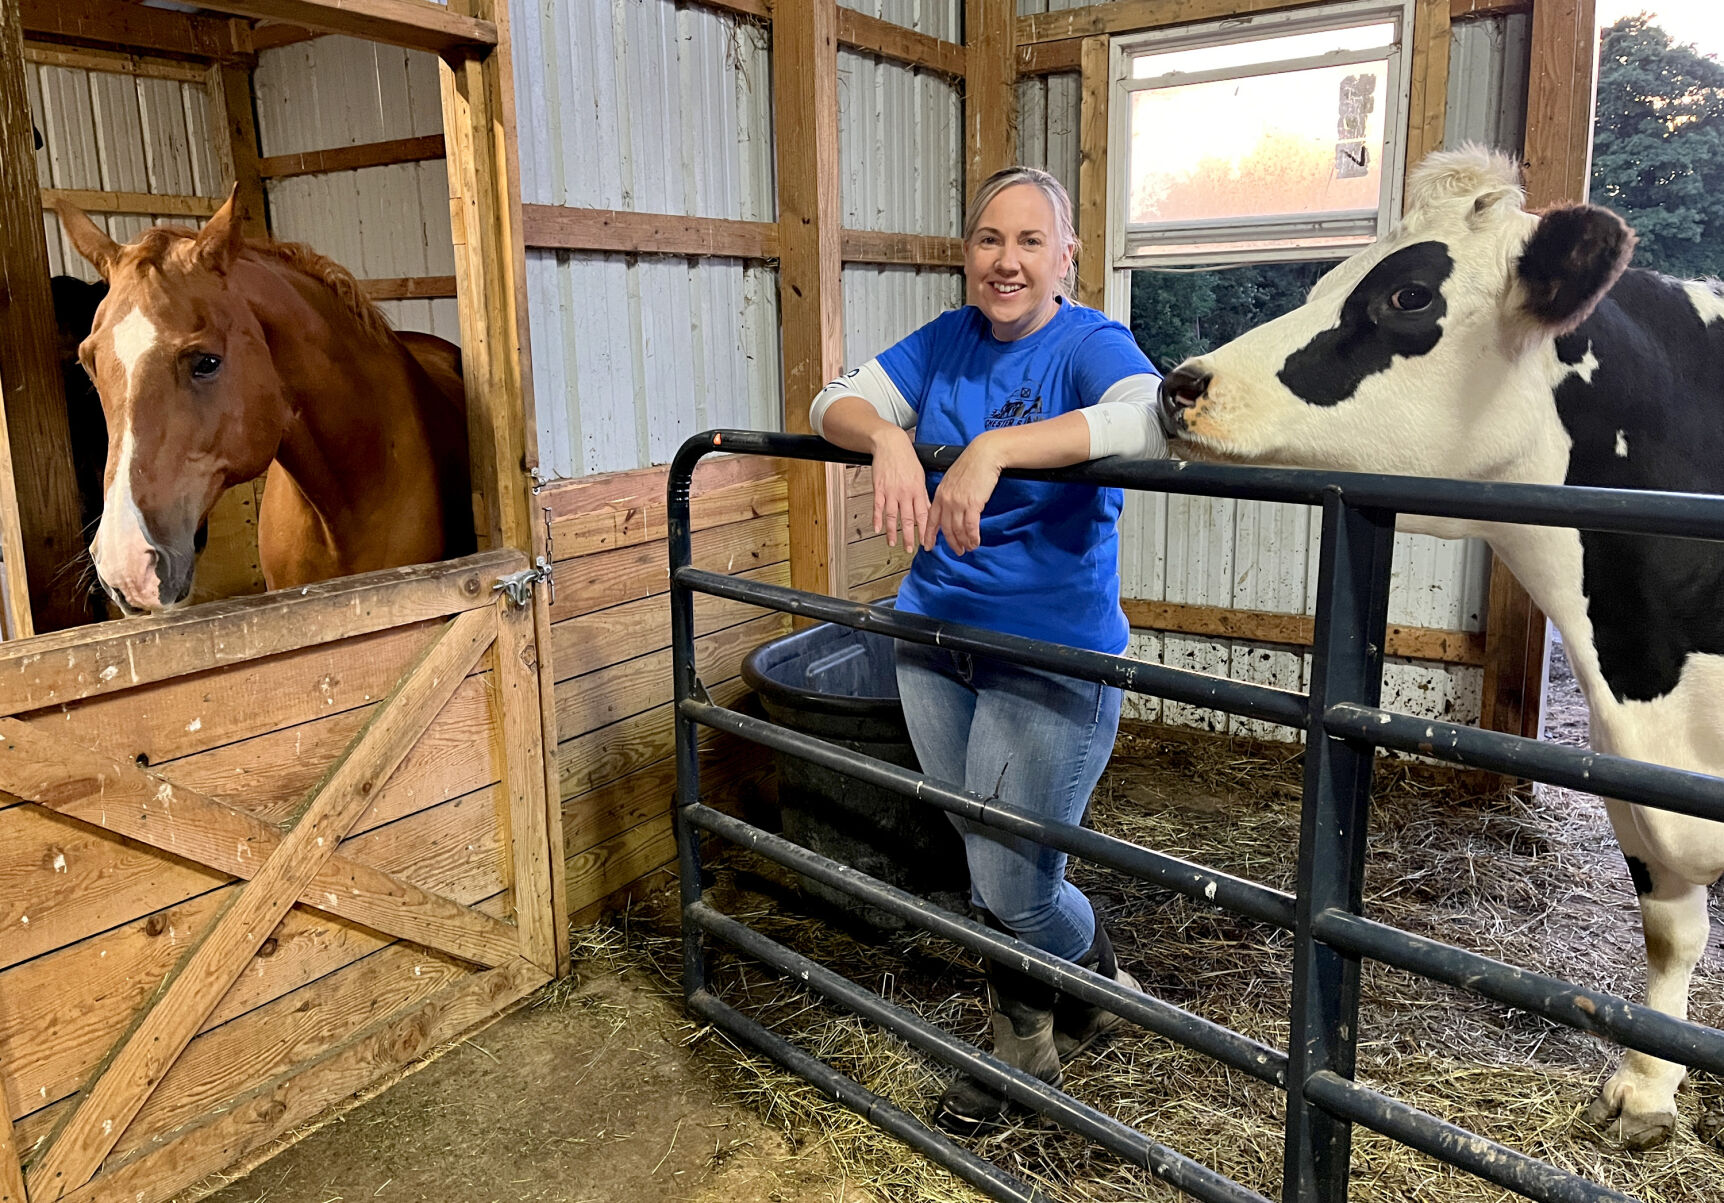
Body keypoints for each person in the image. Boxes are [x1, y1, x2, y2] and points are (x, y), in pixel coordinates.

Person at [809, 165, 1167, 1130]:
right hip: (934, 641)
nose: (1005, 262)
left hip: (1050, 657)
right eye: (988, 241)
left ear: (1067, 256)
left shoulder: (1088, 340)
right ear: (968, 253)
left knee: (1012, 877)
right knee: (987, 859)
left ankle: (1030, 1045)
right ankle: (1088, 989)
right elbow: (828, 402)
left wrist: (994, 448)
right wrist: (887, 437)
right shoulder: (950, 339)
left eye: (1028, 242)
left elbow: (1151, 413)